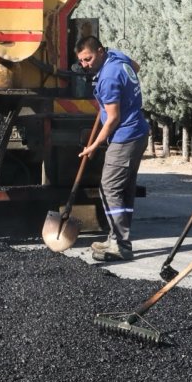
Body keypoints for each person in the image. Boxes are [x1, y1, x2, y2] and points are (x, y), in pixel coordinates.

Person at [76, 36, 150, 262]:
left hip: (125, 136)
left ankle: (120, 244)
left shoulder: (108, 77)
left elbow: (113, 118)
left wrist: (94, 145)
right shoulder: (117, 57)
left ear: (99, 52)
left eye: (88, 59)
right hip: (138, 132)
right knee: (124, 189)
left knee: (109, 188)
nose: (85, 65)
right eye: (81, 61)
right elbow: (135, 66)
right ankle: (117, 238)